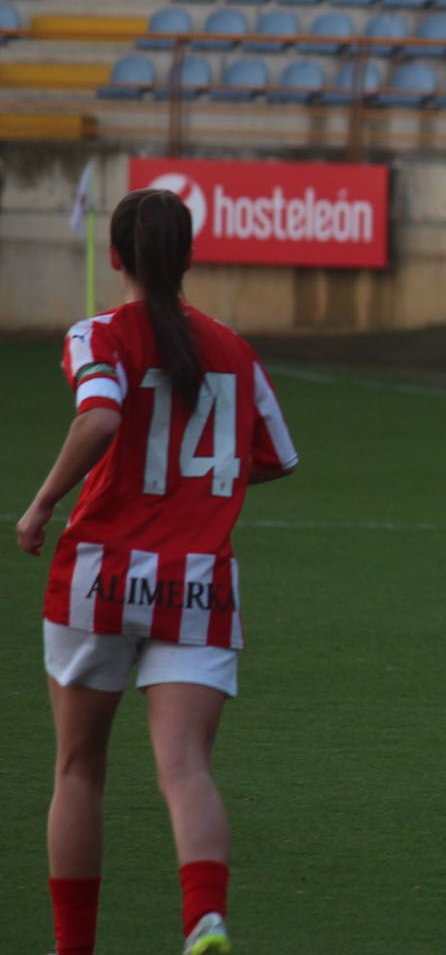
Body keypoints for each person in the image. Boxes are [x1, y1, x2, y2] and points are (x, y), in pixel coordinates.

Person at [15, 189, 299, 955]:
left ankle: (73, 948)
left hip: (98, 579)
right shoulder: (234, 349)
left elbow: (101, 416)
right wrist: (199, 490)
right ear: (189, 259)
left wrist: (42, 503)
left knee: (79, 769)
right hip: (198, 584)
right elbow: (275, 458)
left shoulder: (99, 334)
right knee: (185, 769)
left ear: (115, 258)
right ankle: (204, 919)